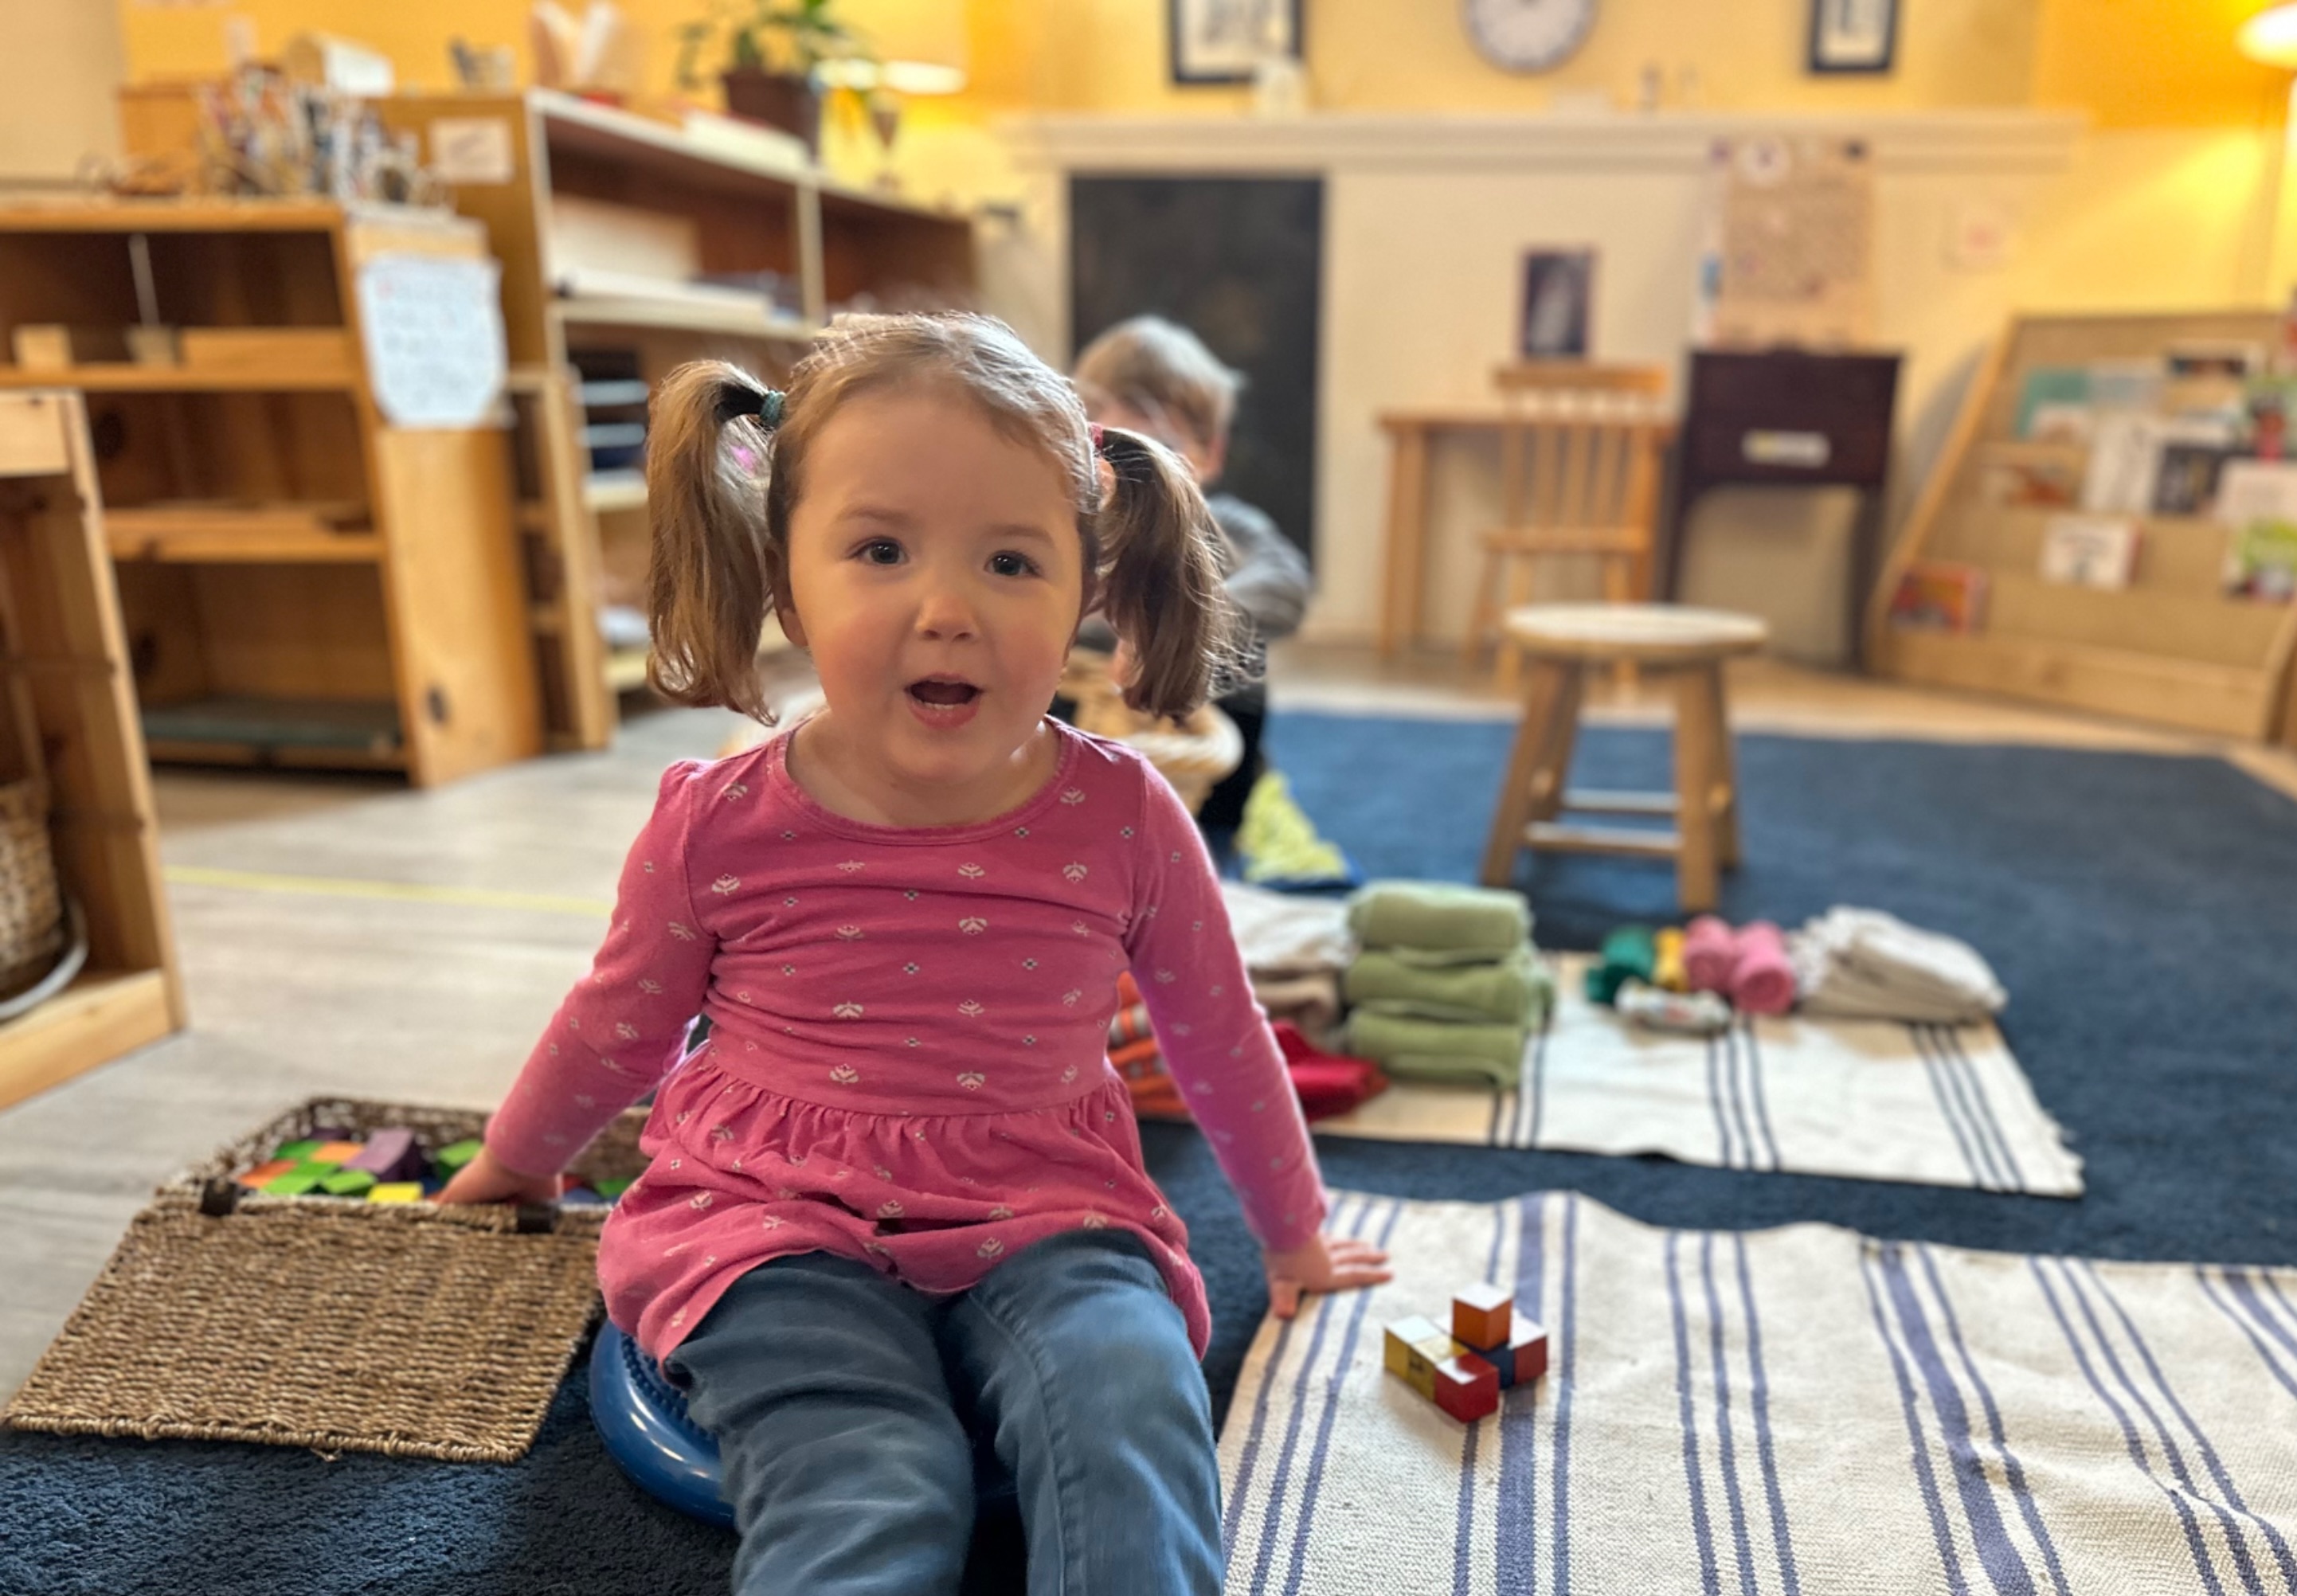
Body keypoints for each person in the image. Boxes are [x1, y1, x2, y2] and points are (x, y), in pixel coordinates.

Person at [439, 313, 1389, 1596]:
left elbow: (1218, 1037)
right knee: (876, 1473)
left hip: (1050, 1202)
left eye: (1011, 561)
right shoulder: (718, 825)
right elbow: (618, 1023)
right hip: (771, 1217)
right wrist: (515, 1160)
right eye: (880, 551)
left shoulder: (1125, 816)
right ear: (788, 584)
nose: (948, 610)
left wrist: (1294, 1236)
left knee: (1132, 1405)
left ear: (1086, 598)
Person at [1072, 315, 1310, 834]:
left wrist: (1177, 618)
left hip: (1209, 755)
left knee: (1245, 666)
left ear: (1211, 455)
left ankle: (1219, 835)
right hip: (1090, 737)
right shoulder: (1074, 526)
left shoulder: (1227, 524)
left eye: (1165, 449)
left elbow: (1286, 584)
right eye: (1122, 449)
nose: (1145, 476)